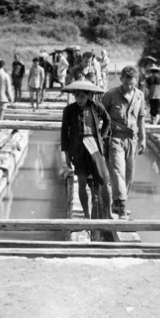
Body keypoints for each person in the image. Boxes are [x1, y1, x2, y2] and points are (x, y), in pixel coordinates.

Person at [102, 66, 146, 219]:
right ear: (121, 80)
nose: (128, 87)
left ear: (136, 82)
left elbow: (141, 117)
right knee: (118, 171)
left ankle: (117, 201)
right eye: (126, 83)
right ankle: (121, 207)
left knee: (129, 175)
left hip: (132, 140)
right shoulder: (111, 95)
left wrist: (143, 139)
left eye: (131, 84)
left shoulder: (140, 95)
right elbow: (99, 114)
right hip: (115, 138)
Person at [61, 85, 112, 220]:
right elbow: (64, 132)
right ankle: (86, 214)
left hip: (95, 145)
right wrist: (66, 154)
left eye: (82, 96)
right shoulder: (69, 110)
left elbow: (107, 120)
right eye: (77, 96)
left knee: (104, 180)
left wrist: (102, 136)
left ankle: (109, 213)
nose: (79, 99)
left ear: (89, 95)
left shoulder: (96, 107)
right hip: (78, 148)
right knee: (82, 181)